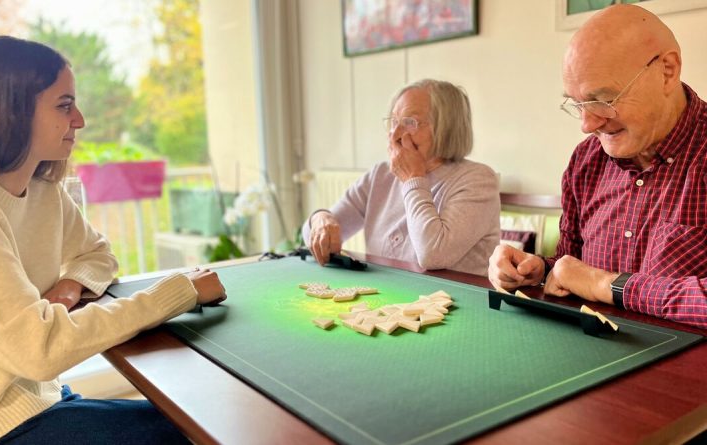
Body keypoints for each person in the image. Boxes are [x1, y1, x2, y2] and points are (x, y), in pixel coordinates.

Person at [0, 36, 227, 444]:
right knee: (197, 429)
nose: (79, 120)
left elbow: (98, 253)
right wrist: (179, 292)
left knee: (197, 419)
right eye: (64, 105)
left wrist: (71, 284)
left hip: (32, 400)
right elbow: (37, 349)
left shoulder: (43, 190)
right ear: (12, 111)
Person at [488, 4, 707, 329]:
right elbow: (573, 268)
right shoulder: (586, 162)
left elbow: (592, 281)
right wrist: (540, 271)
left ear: (667, 70)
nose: (587, 125)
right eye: (578, 104)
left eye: (603, 100)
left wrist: (606, 285)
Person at [302, 79, 500, 276]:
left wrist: (413, 178)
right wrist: (320, 219)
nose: (395, 134)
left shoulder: (479, 180)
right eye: (394, 122)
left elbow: (432, 255)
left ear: (446, 128)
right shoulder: (380, 175)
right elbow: (315, 235)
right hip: (385, 293)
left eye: (409, 122)